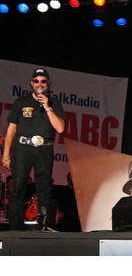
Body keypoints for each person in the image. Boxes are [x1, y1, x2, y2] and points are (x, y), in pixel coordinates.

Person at [1, 68, 66, 231]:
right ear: (31, 83)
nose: (39, 84)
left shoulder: (55, 103)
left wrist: (48, 106)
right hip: (22, 148)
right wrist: (6, 154)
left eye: (43, 81)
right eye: (36, 81)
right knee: (18, 186)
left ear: (48, 84)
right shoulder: (21, 102)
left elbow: (60, 128)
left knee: (44, 187)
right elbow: (11, 130)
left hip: (44, 149)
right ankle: (15, 227)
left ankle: (44, 225)